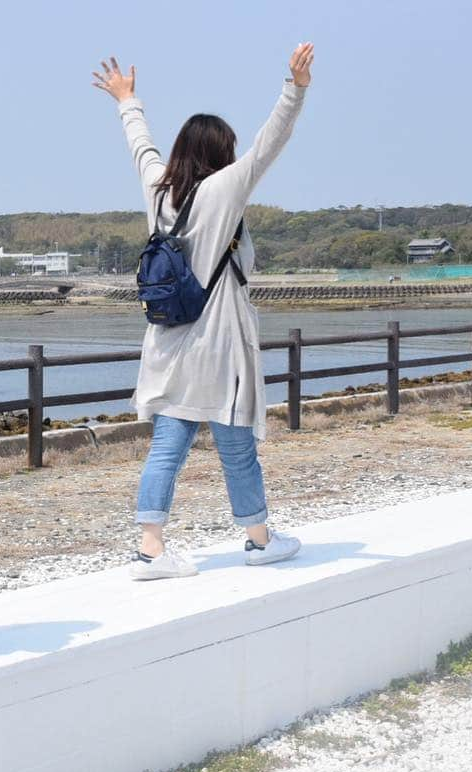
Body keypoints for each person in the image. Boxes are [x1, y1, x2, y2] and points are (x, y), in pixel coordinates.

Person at [92, 44, 314, 580]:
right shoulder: (225, 188)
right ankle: (259, 539)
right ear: (221, 151)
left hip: (169, 344)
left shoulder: (157, 190)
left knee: (168, 444)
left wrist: (127, 101)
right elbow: (271, 142)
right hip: (218, 346)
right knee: (236, 443)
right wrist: (295, 88)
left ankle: (149, 550)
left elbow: (140, 148)